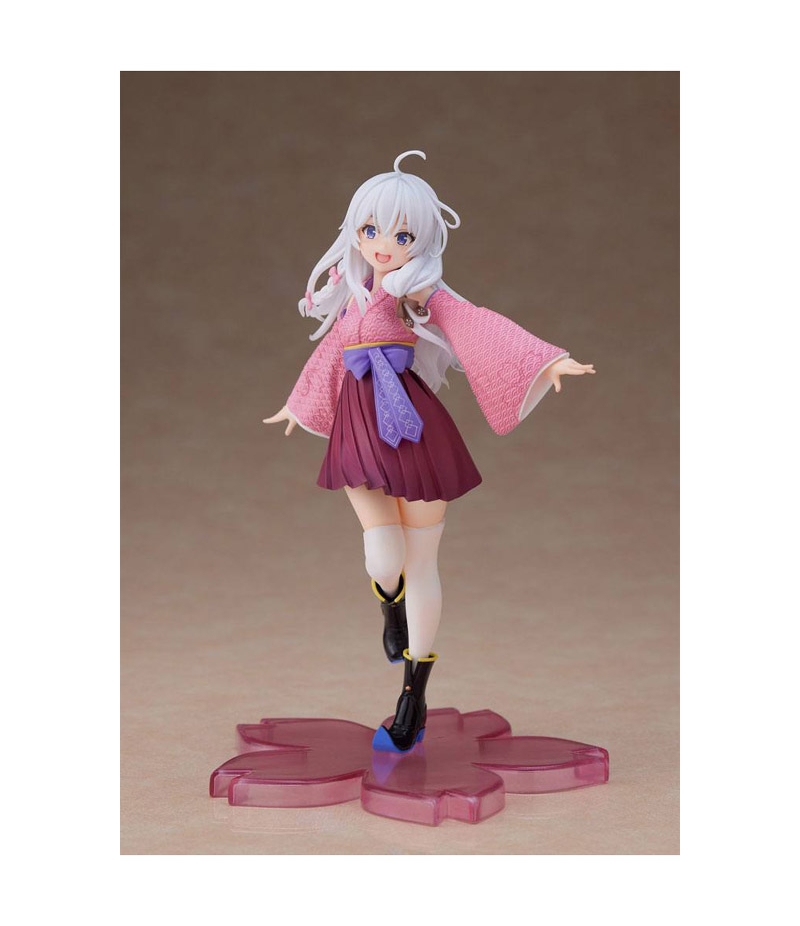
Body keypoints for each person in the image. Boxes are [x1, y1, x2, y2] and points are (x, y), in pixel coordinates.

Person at [264, 151, 595, 751]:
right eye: (371, 230)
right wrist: (297, 403)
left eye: (401, 235)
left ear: (421, 241)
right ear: (354, 231)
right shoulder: (353, 294)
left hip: (414, 429)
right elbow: (329, 355)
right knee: (381, 557)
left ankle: (413, 696)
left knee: (422, 563)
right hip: (359, 429)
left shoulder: (418, 293)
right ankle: (386, 605)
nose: (383, 245)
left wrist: (544, 360)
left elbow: (474, 323)